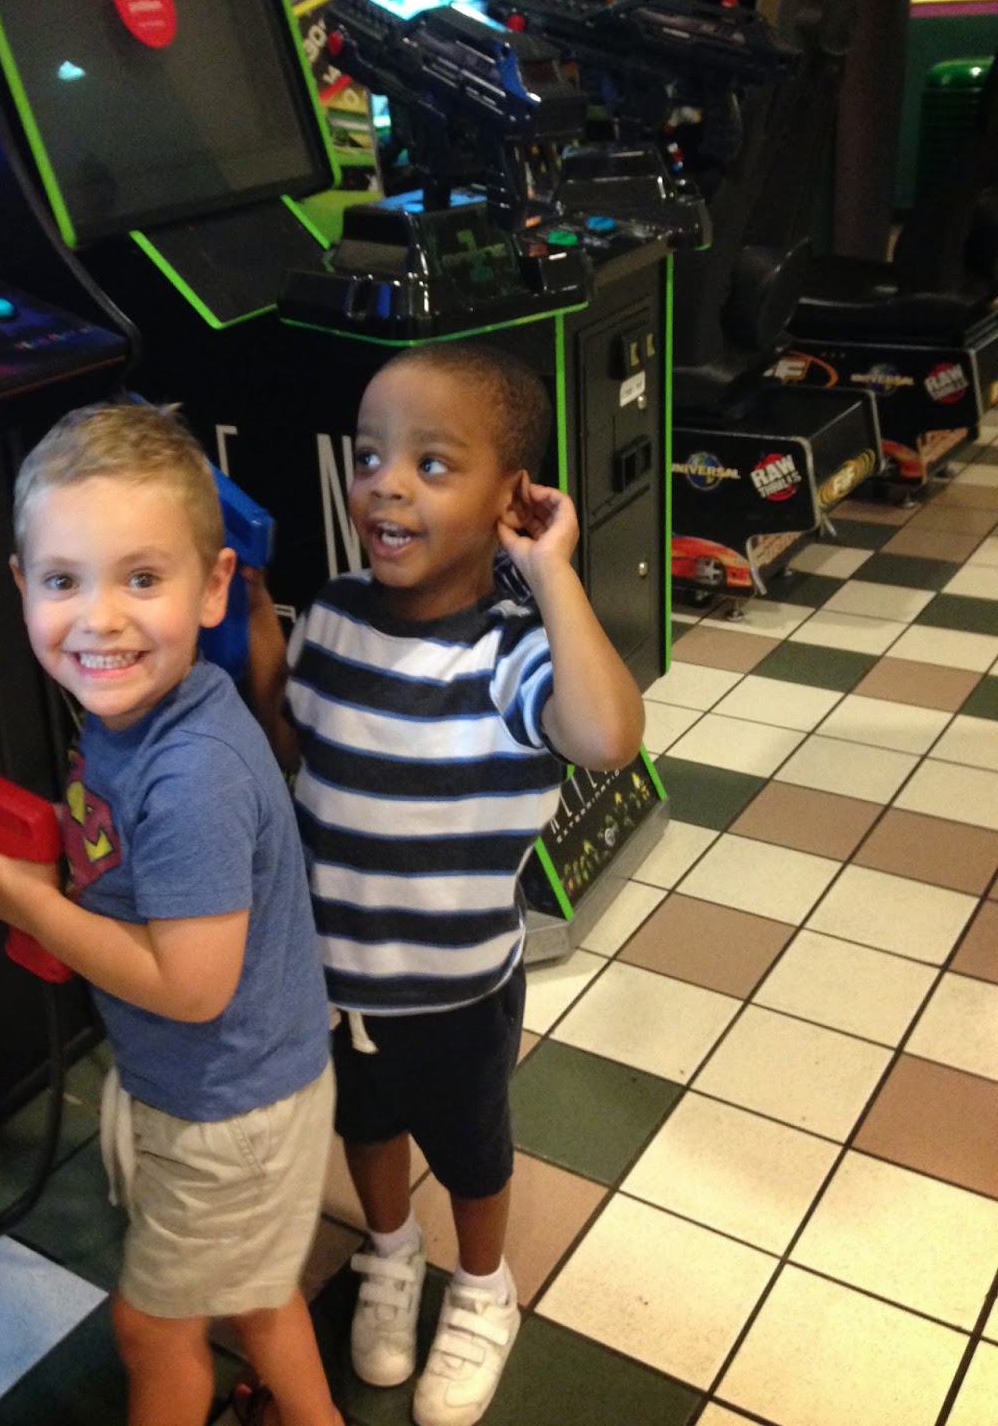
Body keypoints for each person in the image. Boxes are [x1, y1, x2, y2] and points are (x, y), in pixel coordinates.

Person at [246, 342, 644, 1426]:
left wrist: (552, 571)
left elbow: (608, 737)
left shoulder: (511, 656)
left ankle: (480, 1288)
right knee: (366, 1127)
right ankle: (388, 1251)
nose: (386, 483)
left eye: (431, 464)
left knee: (470, 1153)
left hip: (458, 987)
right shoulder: (333, 612)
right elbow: (293, 744)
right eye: (370, 455)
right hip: (334, 973)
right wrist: (259, 625)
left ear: (512, 498)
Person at [0, 400, 342, 1426]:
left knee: (153, 1334)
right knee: (257, 1293)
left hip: (223, 1108)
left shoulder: (191, 772)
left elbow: (190, 985)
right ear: (22, 585)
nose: (101, 618)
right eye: (64, 581)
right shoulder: (137, 716)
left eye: (142, 578)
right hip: (232, 1087)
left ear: (213, 587)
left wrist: (33, 904)